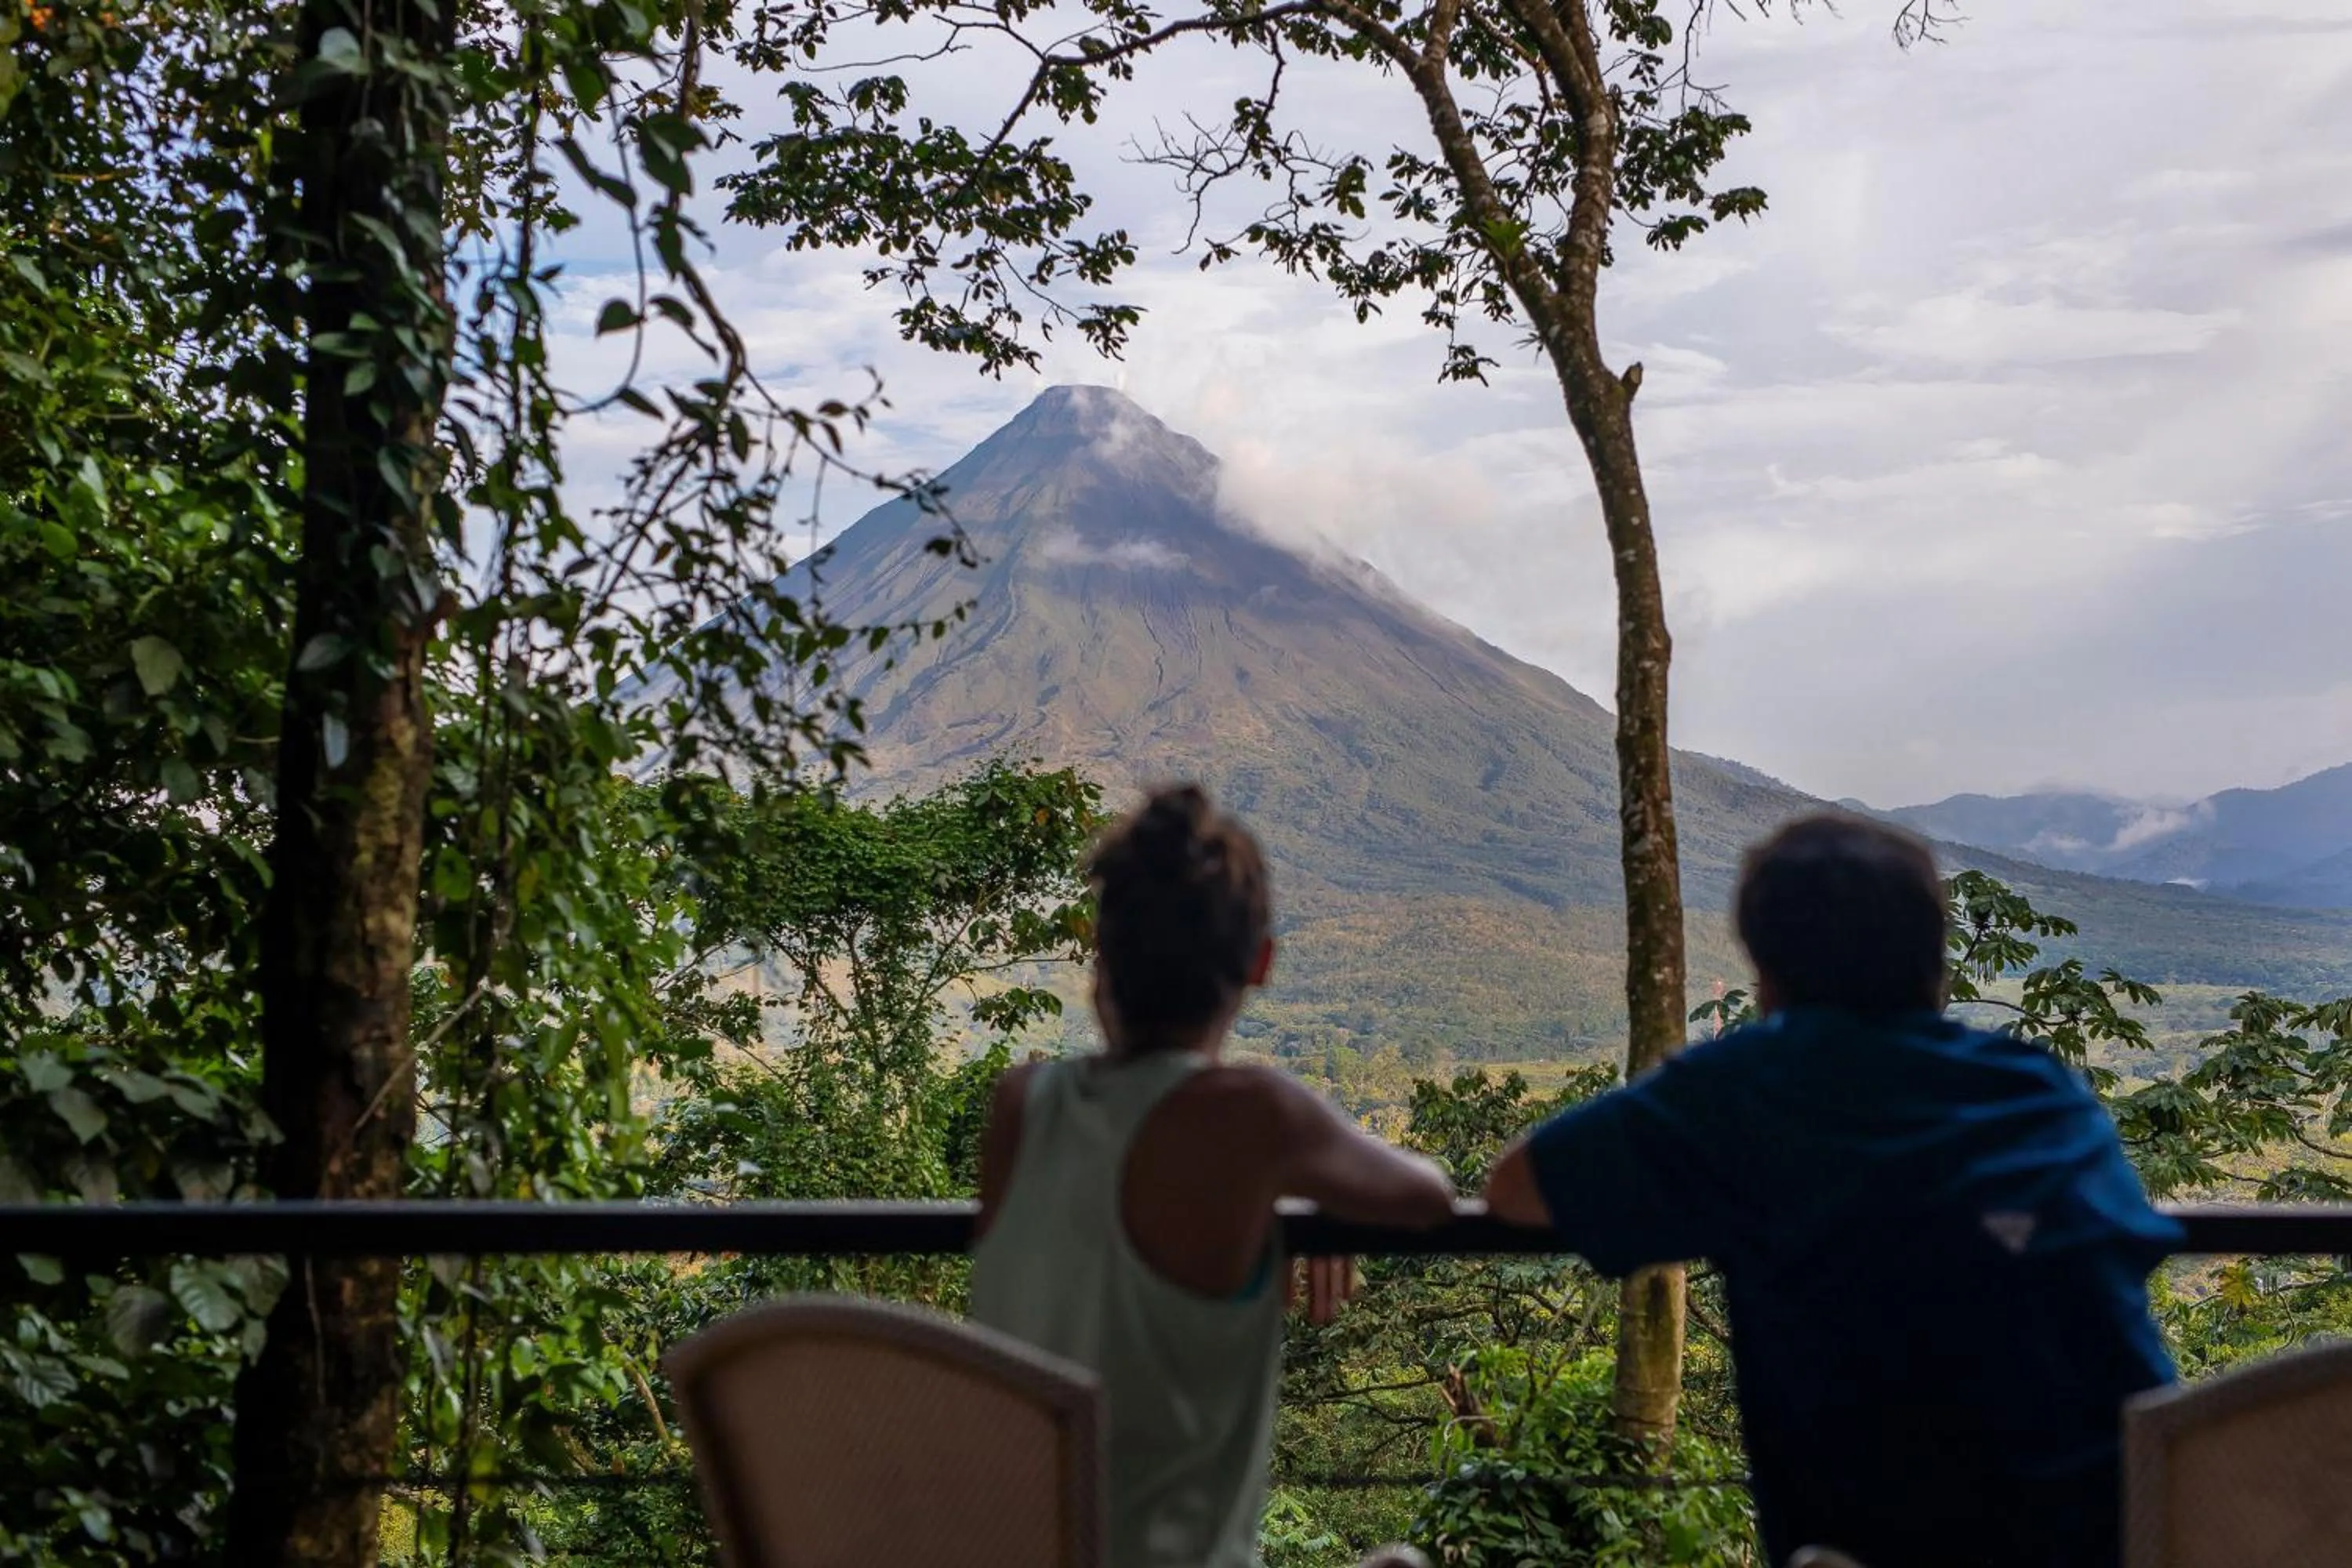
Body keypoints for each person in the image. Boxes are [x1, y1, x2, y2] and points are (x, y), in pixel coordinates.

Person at [1483, 812, 2180, 1568]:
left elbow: (1516, 1190)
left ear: (1767, 973)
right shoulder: (2040, 1088)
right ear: (1935, 962)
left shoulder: (1753, 1087)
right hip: (2145, 1529)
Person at [971, 784, 1454, 1568]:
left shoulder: (1021, 1105)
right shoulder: (1253, 1116)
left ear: (1103, 953)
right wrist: (1301, 1195)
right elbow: (1427, 1194)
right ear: (1259, 962)